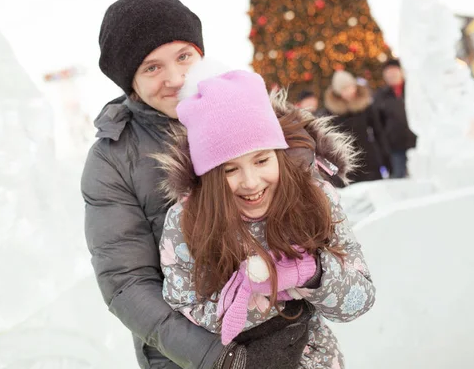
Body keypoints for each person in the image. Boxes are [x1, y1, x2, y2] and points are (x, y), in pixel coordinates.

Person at [81, 0, 317, 368]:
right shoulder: (113, 159)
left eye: (183, 56)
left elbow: (306, 200)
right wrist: (220, 359)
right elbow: (124, 282)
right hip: (188, 357)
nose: (175, 79)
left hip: (286, 331)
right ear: (131, 82)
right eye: (152, 68)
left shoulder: (245, 108)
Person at [155, 66, 376, 368]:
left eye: (261, 160)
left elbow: (358, 300)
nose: (251, 182)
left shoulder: (313, 196)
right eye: (230, 169)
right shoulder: (186, 221)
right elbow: (183, 313)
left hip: (316, 358)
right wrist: (257, 297)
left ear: (278, 155)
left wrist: (312, 275)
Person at [317, 71, 390, 185]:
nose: (349, 91)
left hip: (369, 160)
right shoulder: (330, 113)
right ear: (337, 92)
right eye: (344, 89)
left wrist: (385, 158)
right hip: (348, 163)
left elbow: (378, 132)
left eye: (351, 87)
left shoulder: (365, 106)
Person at [373, 59, 417, 178]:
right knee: (399, 177)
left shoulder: (414, 89)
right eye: (388, 72)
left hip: (417, 143)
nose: (391, 75)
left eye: (394, 71)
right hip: (396, 147)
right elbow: (378, 124)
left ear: (401, 71)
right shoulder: (380, 95)